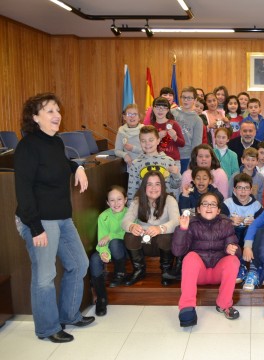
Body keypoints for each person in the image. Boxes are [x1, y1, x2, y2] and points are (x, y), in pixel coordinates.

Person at [14, 93, 92, 343]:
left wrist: (78, 167)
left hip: (61, 218)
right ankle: (47, 328)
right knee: (45, 276)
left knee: (79, 264)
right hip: (38, 220)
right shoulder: (27, 146)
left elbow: (63, 163)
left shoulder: (56, 142)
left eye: (57, 110)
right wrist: (35, 228)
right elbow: (23, 191)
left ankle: (69, 315)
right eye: (49, 111)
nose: (56, 115)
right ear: (35, 117)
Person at [172, 192, 241, 327]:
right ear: (198, 209)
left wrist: (232, 248)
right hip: (199, 273)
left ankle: (224, 304)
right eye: (205, 204)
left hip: (217, 271)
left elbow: (236, 249)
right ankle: (187, 308)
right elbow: (177, 251)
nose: (209, 207)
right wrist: (182, 229)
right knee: (190, 257)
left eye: (213, 204)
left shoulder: (226, 224)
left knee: (233, 261)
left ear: (218, 210)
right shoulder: (190, 223)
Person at [122, 171, 180, 286]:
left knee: (167, 236)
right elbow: (124, 222)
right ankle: (139, 271)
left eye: (157, 184)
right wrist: (132, 226)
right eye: (149, 184)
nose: (153, 188)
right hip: (144, 244)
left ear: (162, 186)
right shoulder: (137, 200)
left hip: (163, 246)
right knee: (129, 235)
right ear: (144, 186)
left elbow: (176, 221)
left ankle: (166, 271)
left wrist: (160, 228)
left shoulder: (169, 200)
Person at [89, 186, 128, 317]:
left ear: (125, 200)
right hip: (108, 249)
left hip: (124, 250)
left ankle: (120, 273)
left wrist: (111, 236)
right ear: (107, 202)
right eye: (112, 200)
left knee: (115, 243)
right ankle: (101, 298)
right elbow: (102, 239)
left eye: (119, 199)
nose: (116, 203)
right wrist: (104, 252)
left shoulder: (130, 213)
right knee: (94, 259)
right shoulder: (103, 216)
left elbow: (127, 233)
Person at [224, 173, 263, 285]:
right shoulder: (227, 203)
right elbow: (219, 221)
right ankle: (239, 265)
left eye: (246, 188)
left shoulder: (256, 205)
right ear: (234, 190)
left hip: (249, 239)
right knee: (230, 230)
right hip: (233, 237)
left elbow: (263, 224)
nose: (243, 191)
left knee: (254, 230)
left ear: (251, 190)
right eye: (239, 188)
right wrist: (229, 220)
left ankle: (254, 267)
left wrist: (255, 222)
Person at [127, 125, 181, 201]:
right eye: (143, 141)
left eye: (151, 140)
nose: (147, 143)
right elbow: (132, 190)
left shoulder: (169, 161)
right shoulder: (136, 164)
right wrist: (131, 210)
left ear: (158, 140)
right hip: (145, 207)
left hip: (165, 205)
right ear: (140, 142)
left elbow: (176, 185)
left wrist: (176, 174)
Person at [172, 87, 204, 173]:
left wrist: (192, 162)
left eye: (189, 98)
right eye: (184, 97)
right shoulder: (172, 113)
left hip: (185, 157)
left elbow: (196, 144)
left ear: (195, 100)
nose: (186, 100)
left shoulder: (197, 120)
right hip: (170, 155)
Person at [149, 96, 185, 164]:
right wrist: (157, 137)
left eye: (164, 108)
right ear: (153, 108)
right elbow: (148, 146)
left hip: (173, 161)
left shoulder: (174, 124)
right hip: (156, 161)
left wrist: (175, 137)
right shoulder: (151, 127)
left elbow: (182, 143)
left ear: (168, 110)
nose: (160, 110)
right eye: (157, 107)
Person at [115, 103, 143, 169]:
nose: (132, 116)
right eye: (129, 114)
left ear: (139, 117)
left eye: (135, 114)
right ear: (124, 117)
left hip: (144, 164)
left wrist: (133, 148)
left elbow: (148, 150)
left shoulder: (144, 130)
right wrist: (125, 155)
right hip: (130, 167)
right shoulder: (121, 131)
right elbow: (117, 150)